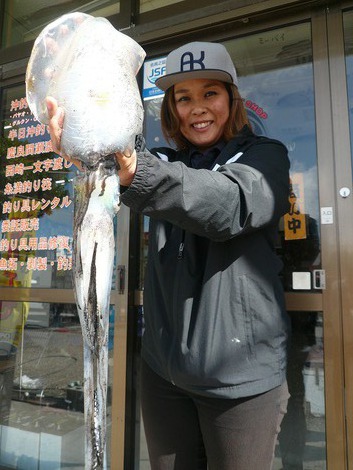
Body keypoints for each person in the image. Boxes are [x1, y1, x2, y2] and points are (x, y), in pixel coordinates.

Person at [47, 41, 291, 470]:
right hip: (163, 375)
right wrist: (82, 131)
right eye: (183, 98)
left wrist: (134, 171)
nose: (197, 108)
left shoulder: (264, 158)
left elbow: (229, 204)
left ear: (232, 99)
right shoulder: (163, 160)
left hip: (242, 382)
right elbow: (119, 155)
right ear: (171, 109)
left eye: (209, 94)